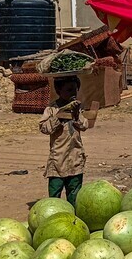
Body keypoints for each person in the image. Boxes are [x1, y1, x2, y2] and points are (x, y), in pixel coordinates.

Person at [38, 76, 92, 205]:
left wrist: (76, 114)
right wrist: (60, 115)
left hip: (75, 158)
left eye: (75, 90)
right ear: (58, 90)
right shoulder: (52, 109)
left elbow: (84, 125)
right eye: (69, 90)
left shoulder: (78, 109)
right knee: (55, 196)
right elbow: (44, 128)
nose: (73, 93)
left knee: (74, 194)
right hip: (58, 159)